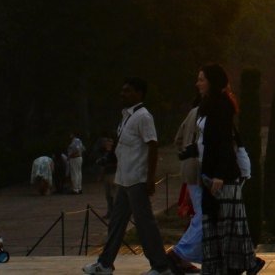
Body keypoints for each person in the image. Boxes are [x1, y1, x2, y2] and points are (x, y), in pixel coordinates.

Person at [83, 77, 173, 275]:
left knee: (144, 224)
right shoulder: (127, 116)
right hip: (124, 179)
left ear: (139, 94)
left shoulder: (143, 117)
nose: (122, 94)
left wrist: (150, 178)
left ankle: (161, 266)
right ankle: (105, 264)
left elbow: (153, 147)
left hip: (137, 179)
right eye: (122, 90)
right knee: (116, 223)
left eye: (128, 91)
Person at [197, 64, 264, 275]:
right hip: (210, 172)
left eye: (202, 79)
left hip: (222, 176)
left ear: (212, 81)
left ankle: (239, 264)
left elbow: (224, 142)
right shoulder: (208, 104)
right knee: (218, 224)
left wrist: (219, 174)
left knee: (228, 227)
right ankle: (227, 265)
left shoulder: (221, 106)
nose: (198, 83)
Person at [167, 94, 205, 274]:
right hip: (201, 172)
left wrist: (185, 157)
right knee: (204, 217)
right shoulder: (206, 113)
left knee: (200, 216)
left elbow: (178, 139)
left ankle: (183, 258)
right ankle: (178, 254)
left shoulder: (191, 114)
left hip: (190, 170)